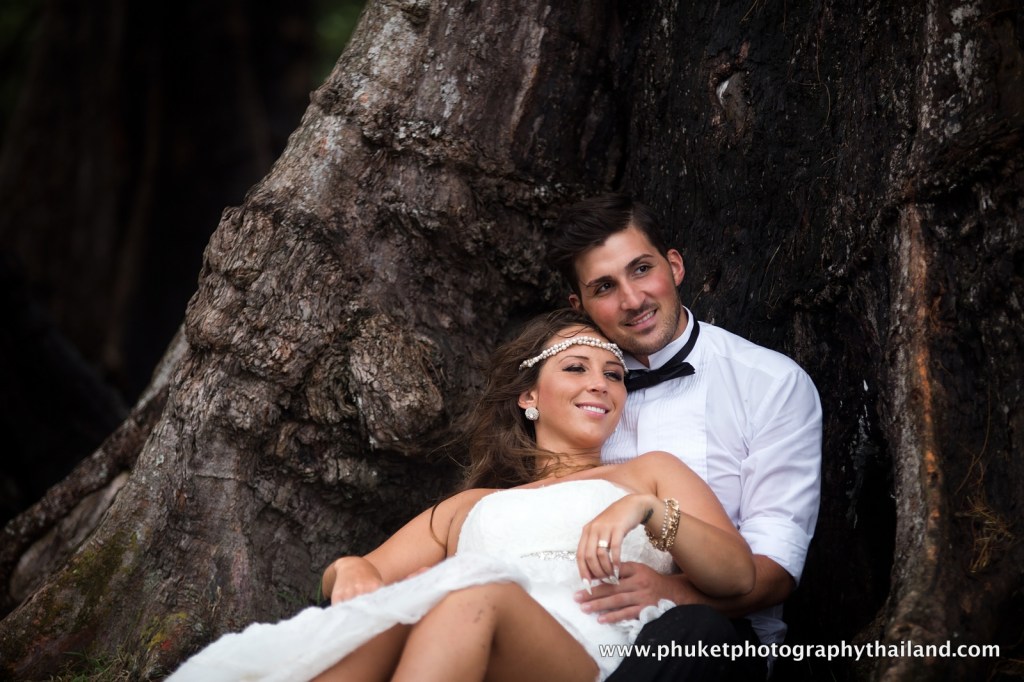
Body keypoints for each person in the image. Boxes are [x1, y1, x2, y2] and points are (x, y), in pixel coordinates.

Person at [167, 309, 755, 682]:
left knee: (476, 595)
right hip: (469, 642)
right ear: (529, 397)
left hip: (583, 651)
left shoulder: (647, 475)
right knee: (373, 626)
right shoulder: (470, 506)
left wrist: (651, 513)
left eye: (614, 374)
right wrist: (348, 570)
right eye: (576, 368)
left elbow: (737, 577)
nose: (601, 383)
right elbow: (363, 572)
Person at [548, 192, 823, 680]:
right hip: (573, 629)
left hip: (717, 639)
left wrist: (670, 595)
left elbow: (776, 569)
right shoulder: (565, 392)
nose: (632, 300)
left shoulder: (770, 383)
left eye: (641, 269)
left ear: (674, 266)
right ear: (581, 304)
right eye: (605, 287)